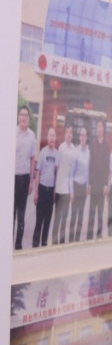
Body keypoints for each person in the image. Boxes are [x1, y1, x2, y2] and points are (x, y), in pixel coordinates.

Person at [14, 106, 36, 249]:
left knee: (21, 215)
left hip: (24, 179)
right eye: (21, 114)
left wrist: (31, 182)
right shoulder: (13, 133)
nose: (23, 117)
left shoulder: (31, 135)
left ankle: (18, 245)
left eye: (26, 115)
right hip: (12, 179)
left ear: (28, 118)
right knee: (10, 214)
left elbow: (32, 159)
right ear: (18, 117)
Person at [33, 126, 58, 247]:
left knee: (47, 222)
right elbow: (37, 173)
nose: (52, 138)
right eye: (50, 135)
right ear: (47, 137)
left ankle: (43, 245)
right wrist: (36, 193)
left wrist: (54, 192)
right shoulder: (43, 152)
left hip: (50, 192)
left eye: (53, 135)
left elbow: (56, 173)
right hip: (42, 190)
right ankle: (35, 246)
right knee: (39, 221)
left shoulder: (57, 154)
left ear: (55, 138)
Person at [52, 125, 77, 245]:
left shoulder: (74, 149)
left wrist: (72, 191)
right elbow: (56, 168)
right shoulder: (61, 148)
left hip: (67, 190)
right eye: (67, 131)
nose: (69, 134)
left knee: (65, 217)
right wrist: (55, 187)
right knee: (57, 217)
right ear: (65, 134)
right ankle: (54, 241)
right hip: (59, 189)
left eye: (70, 132)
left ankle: (61, 242)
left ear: (72, 135)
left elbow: (73, 172)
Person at [86, 122, 110, 240]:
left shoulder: (107, 145)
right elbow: (90, 164)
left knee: (100, 212)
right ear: (96, 130)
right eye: (98, 127)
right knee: (91, 211)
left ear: (103, 130)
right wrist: (89, 183)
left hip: (101, 184)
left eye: (101, 127)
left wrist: (106, 184)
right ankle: (89, 236)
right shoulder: (93, 144)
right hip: (93, 182)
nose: (99, 129)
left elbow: (107, 165)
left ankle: (99, 236)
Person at [69, 126, 89, 242]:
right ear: (79, 137)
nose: (82, 137)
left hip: (83, 188)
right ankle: (71, 240)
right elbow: (71, 174)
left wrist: (87, 188)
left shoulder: (88, 152)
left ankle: (76, 241)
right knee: (73, 216)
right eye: (81, 135)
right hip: (76, 187)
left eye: (84, 135)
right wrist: (71, 191)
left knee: (81, 217)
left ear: (86, 137)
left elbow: (88, 172)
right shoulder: (75, 152)